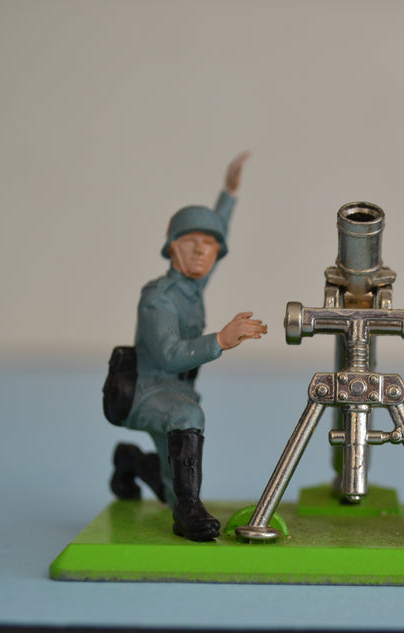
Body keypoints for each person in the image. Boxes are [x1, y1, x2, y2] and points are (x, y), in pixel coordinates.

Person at [108, 152, 267, 541]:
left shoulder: (193, 288)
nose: (201, 250)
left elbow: (217, 230)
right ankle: (188, 510)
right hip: (147, 392)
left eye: (209, 245)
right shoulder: (158, 297)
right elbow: (168, 355)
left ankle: (131, 461)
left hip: (176, 390)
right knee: (187, 415)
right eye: (191, 242)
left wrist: (229, 193)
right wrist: (221, 340)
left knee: (167, 487)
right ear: (173, 247)